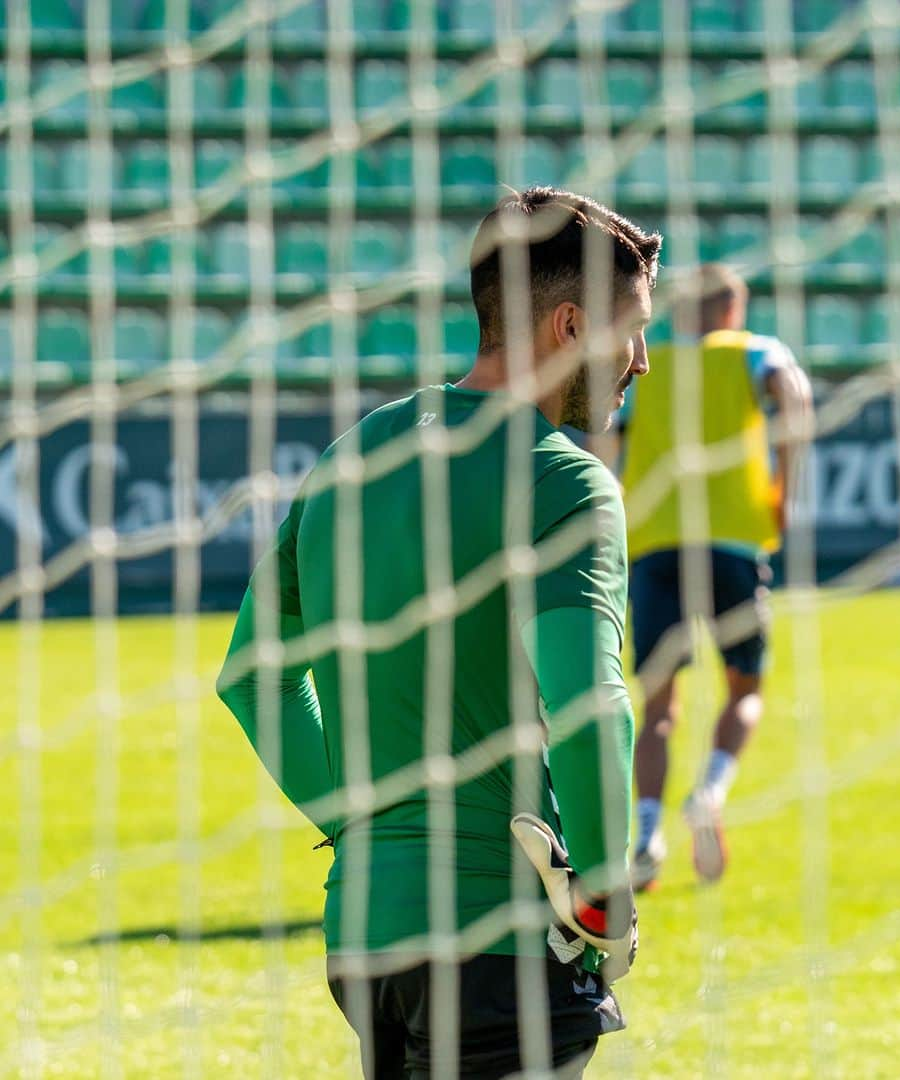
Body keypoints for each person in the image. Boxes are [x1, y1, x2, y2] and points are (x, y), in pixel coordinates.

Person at [216, 187, 661, 1078]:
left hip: (365, 938)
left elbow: (252, 676)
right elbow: (590, 704)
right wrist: (605, 891)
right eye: (633, 330)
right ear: (570, 326)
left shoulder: (353, 454)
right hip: (497, 939)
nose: (643, 362)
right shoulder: (561, 480)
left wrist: (363, 826)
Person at [618, 265, 813, 891]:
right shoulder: (753, 350)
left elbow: (601, 439)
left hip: (654, 545)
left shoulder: (649, 366)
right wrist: (787, 481)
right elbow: (794, 392)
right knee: (745, 689)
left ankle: (646, 834)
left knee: (656, 707)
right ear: (733, 309)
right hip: (732, 541)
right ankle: (710, 791)